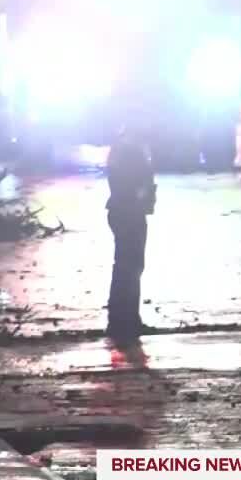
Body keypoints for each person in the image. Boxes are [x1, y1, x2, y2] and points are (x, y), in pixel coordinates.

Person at [106, 131, 157, 341]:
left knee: (126, 268)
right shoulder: (131, 151)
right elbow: (136, 186)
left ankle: (122, 320)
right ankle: (125, 322)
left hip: (123, 212)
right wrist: (144, 197)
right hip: (129, 213)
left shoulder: (122, 148)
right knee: (131, 268)